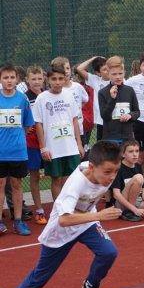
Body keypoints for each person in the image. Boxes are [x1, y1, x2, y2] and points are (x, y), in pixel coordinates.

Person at [3, 141, 122, 288]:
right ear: (92, 167)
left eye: (115, 171)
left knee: (109, 252)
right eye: (107, 172)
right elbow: (64, 220)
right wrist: (99, 216)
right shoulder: (75, 184)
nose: (111, 177)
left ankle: (91, 285)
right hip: (62, 229)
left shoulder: (100, 169)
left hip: (86, 222)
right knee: (41, 276)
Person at [33, 65, 85, 200]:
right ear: (48, 80)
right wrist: (43, 147)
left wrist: (79, 144)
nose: (57, 82)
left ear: (65, 79)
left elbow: (74, 120)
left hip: (70, 146)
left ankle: (70, 208)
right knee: (56, 180)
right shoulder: (42, 98)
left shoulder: (69, 95)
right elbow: (38, 124)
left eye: (60, 79)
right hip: (53, 148)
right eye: (54, 79)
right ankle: (59, 210)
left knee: (70, 180)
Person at [0, 63, 35, 236]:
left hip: (18, 151)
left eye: (12, 77)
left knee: (16, 184)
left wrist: (16, 138)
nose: (9, 81)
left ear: (17, 79)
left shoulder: (22, 99)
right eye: (5, 77)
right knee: (0, 185)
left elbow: (28, 125)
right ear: (0, 79)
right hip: (0, 151)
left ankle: (18, 221)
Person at [98, 55, 139, 145]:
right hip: (111, 137)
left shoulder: (129, 90)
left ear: (124, 73)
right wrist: (112, 99)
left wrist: (130, 115)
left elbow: (137, 112)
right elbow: (105, 116)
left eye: (120, 73)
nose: (118, 77)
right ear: (108, 74)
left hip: (127, 137)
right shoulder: (102, 92)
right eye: (114, 74)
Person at [51, 56, 89, 151]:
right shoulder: (55, 91)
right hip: (61, 133)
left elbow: (84, 101)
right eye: (62, 69)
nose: (66, 71)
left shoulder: (78, 87)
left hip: (78, 130)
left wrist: (76, 110)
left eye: (68, 68)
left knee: (80, 158)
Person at [25, 65, 47, 224]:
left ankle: (61, 207)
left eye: (39, 78)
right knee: (34, 176)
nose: (37, 81)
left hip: (51, 143)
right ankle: (39, 210)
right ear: (27, 80)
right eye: (33, 79)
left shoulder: (48, 95)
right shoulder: (24, 98)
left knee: (57, 176)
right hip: (32, 144)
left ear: (44, 79)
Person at [76, 55, 109, 141]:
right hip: (101, 120)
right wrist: (93, 58)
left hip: (115, 120)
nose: (108, 71)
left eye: (108, 67)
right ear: (98, 73)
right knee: (102, 147)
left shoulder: (117, 79)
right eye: (104, 69)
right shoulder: (95, 80)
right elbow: (79, 69)